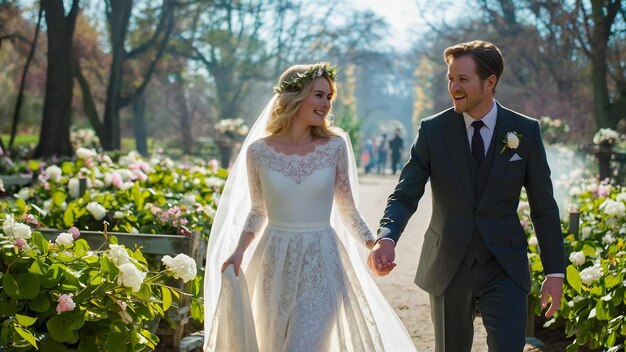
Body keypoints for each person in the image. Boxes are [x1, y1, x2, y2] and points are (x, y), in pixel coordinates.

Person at [203, 62, 415, 352]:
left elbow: (348, 209)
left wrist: (373, 244)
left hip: (322, 261)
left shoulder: (335, 146)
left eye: (329, 97)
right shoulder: (258, 152)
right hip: (274, 262)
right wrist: (239, 250)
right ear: (294, 95)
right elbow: (258, 209)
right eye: (319, 95)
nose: (326, 103)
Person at [368, 40, 565, 351]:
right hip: (448, 264)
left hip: (505, 266)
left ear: (490, 83)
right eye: (450, 78)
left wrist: (555, 270)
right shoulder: (433, 130)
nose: (453, 87)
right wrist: (387, 236)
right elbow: (405, 194)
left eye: (462, 79)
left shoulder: (525, 132)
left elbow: (544, 207)